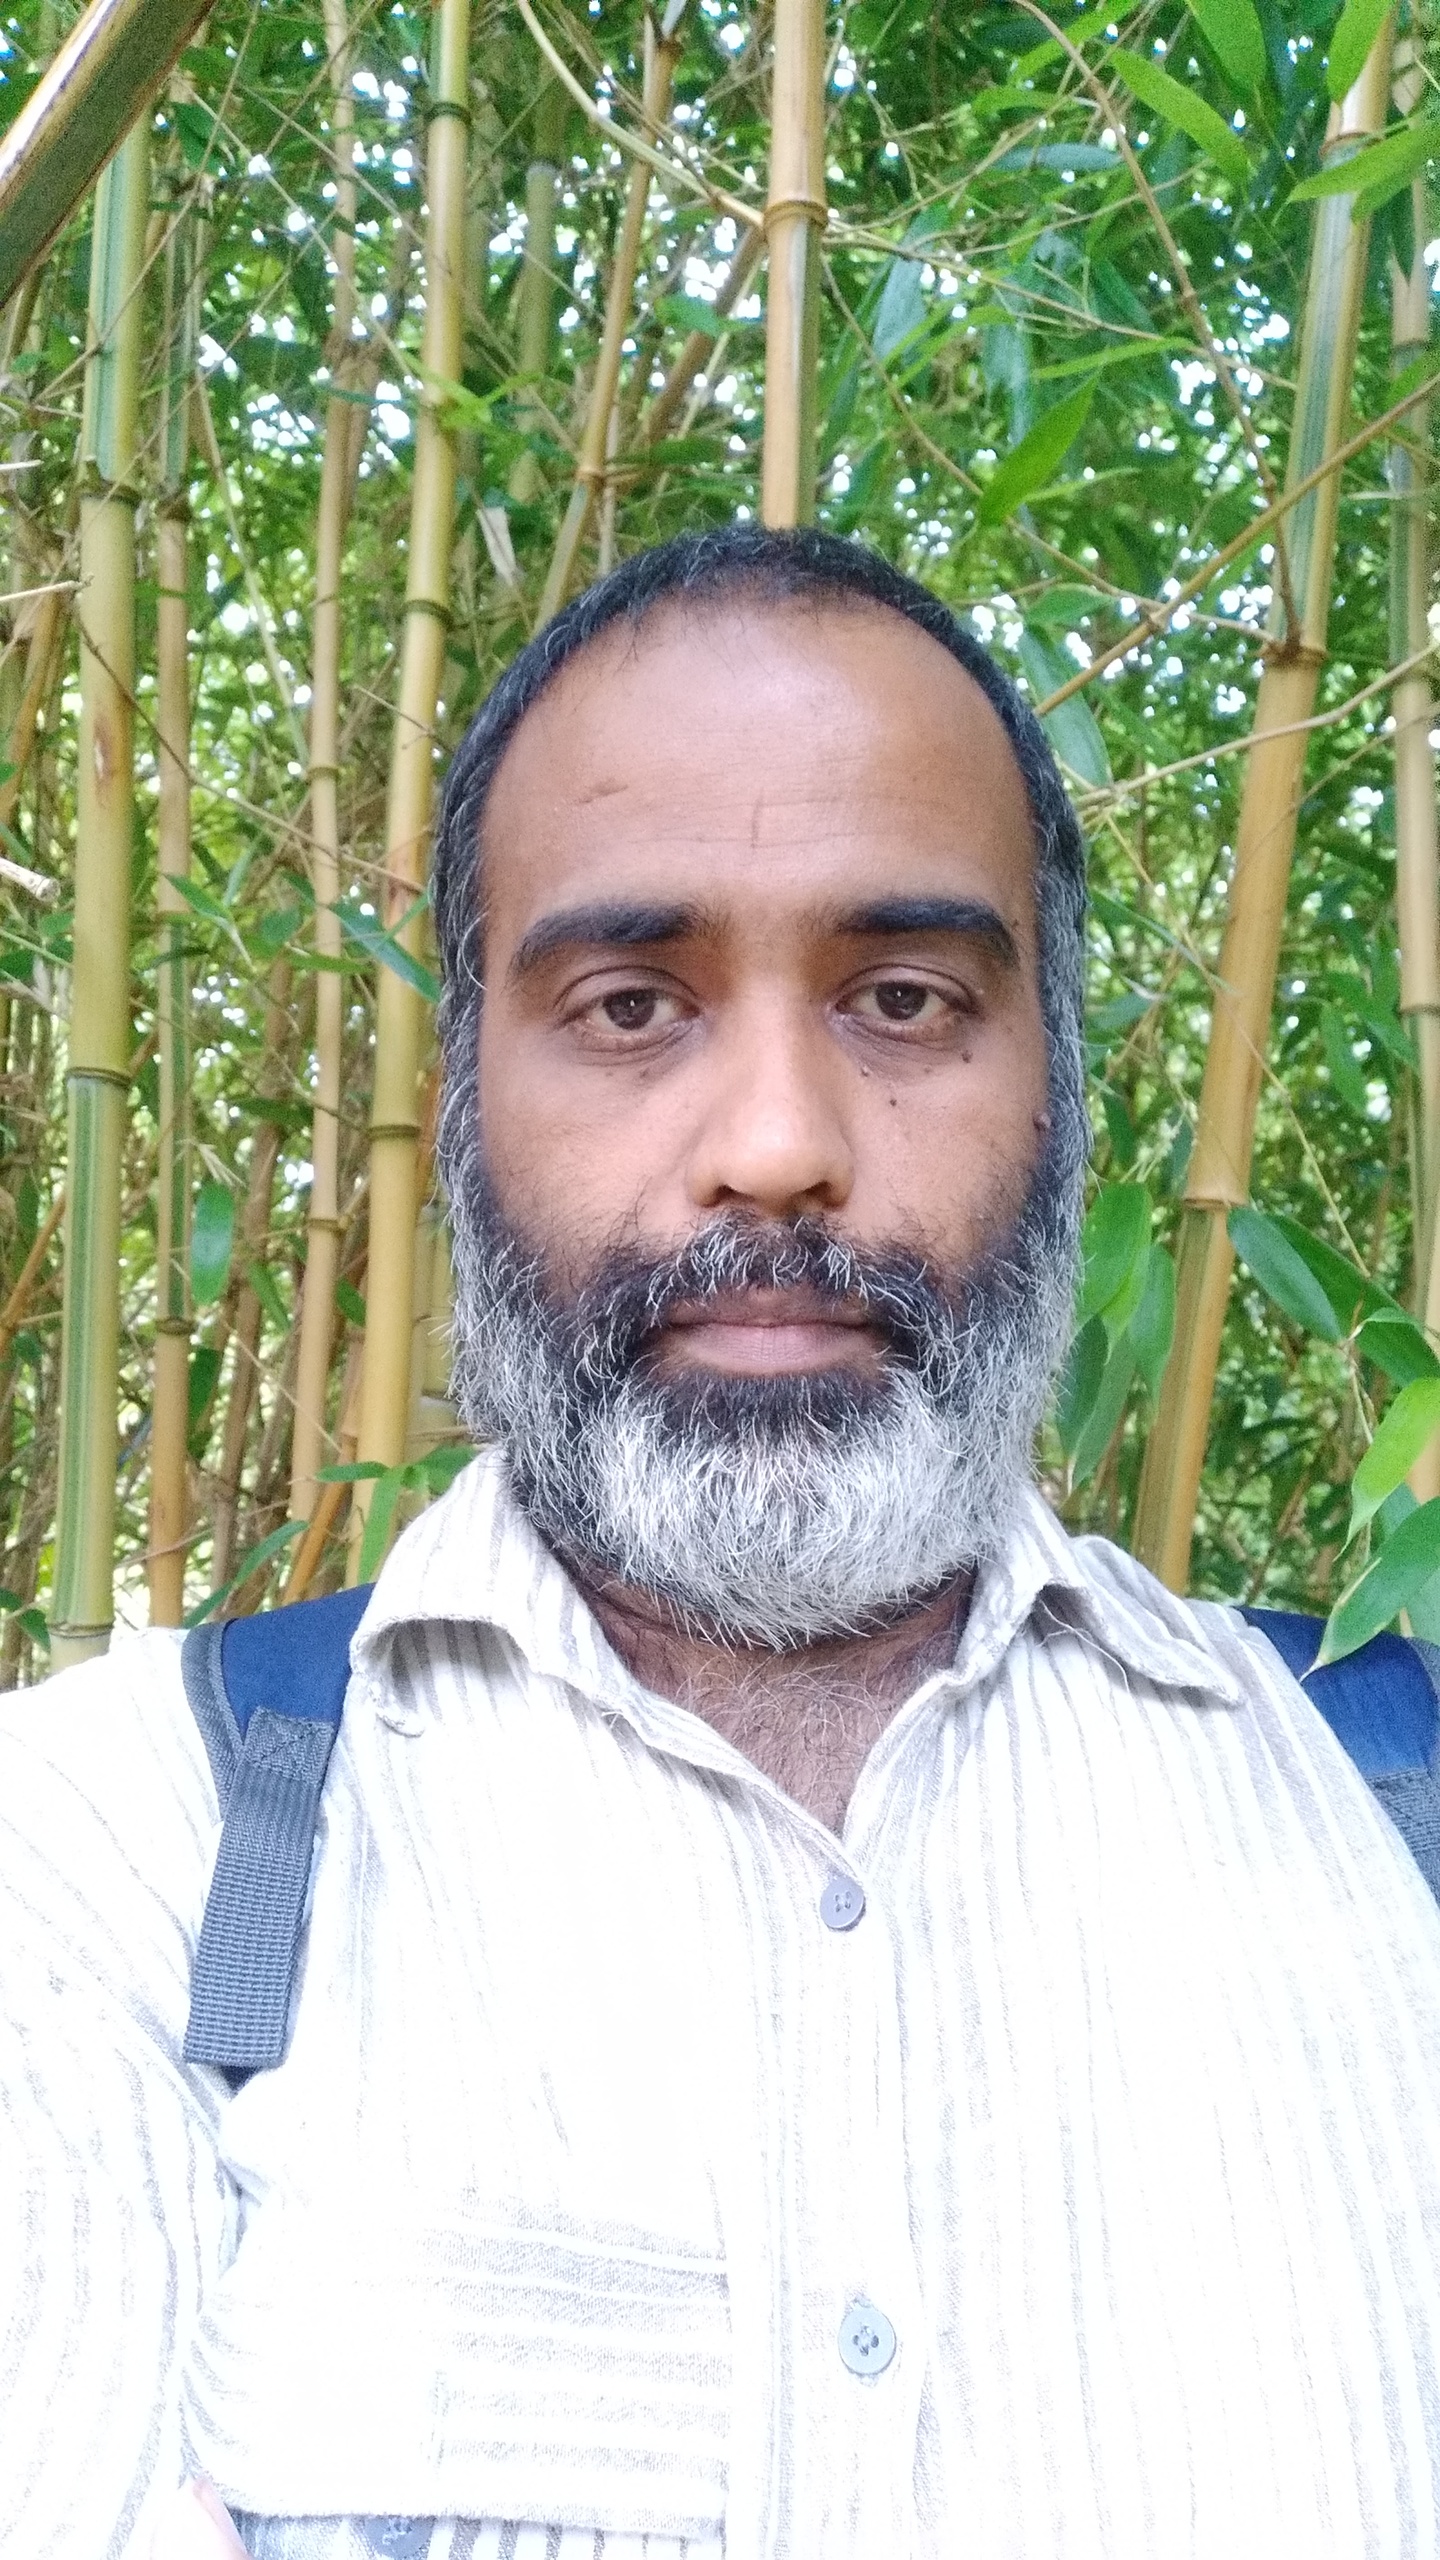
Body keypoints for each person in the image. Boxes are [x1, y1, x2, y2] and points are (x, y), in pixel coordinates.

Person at [6, 526, 1440, 2560]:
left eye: (907, 998)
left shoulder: (1394, 1817)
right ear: (463, 1094)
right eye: (628, 1005)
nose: (776, 1143)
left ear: (1065, 1087)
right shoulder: (99, 1871)